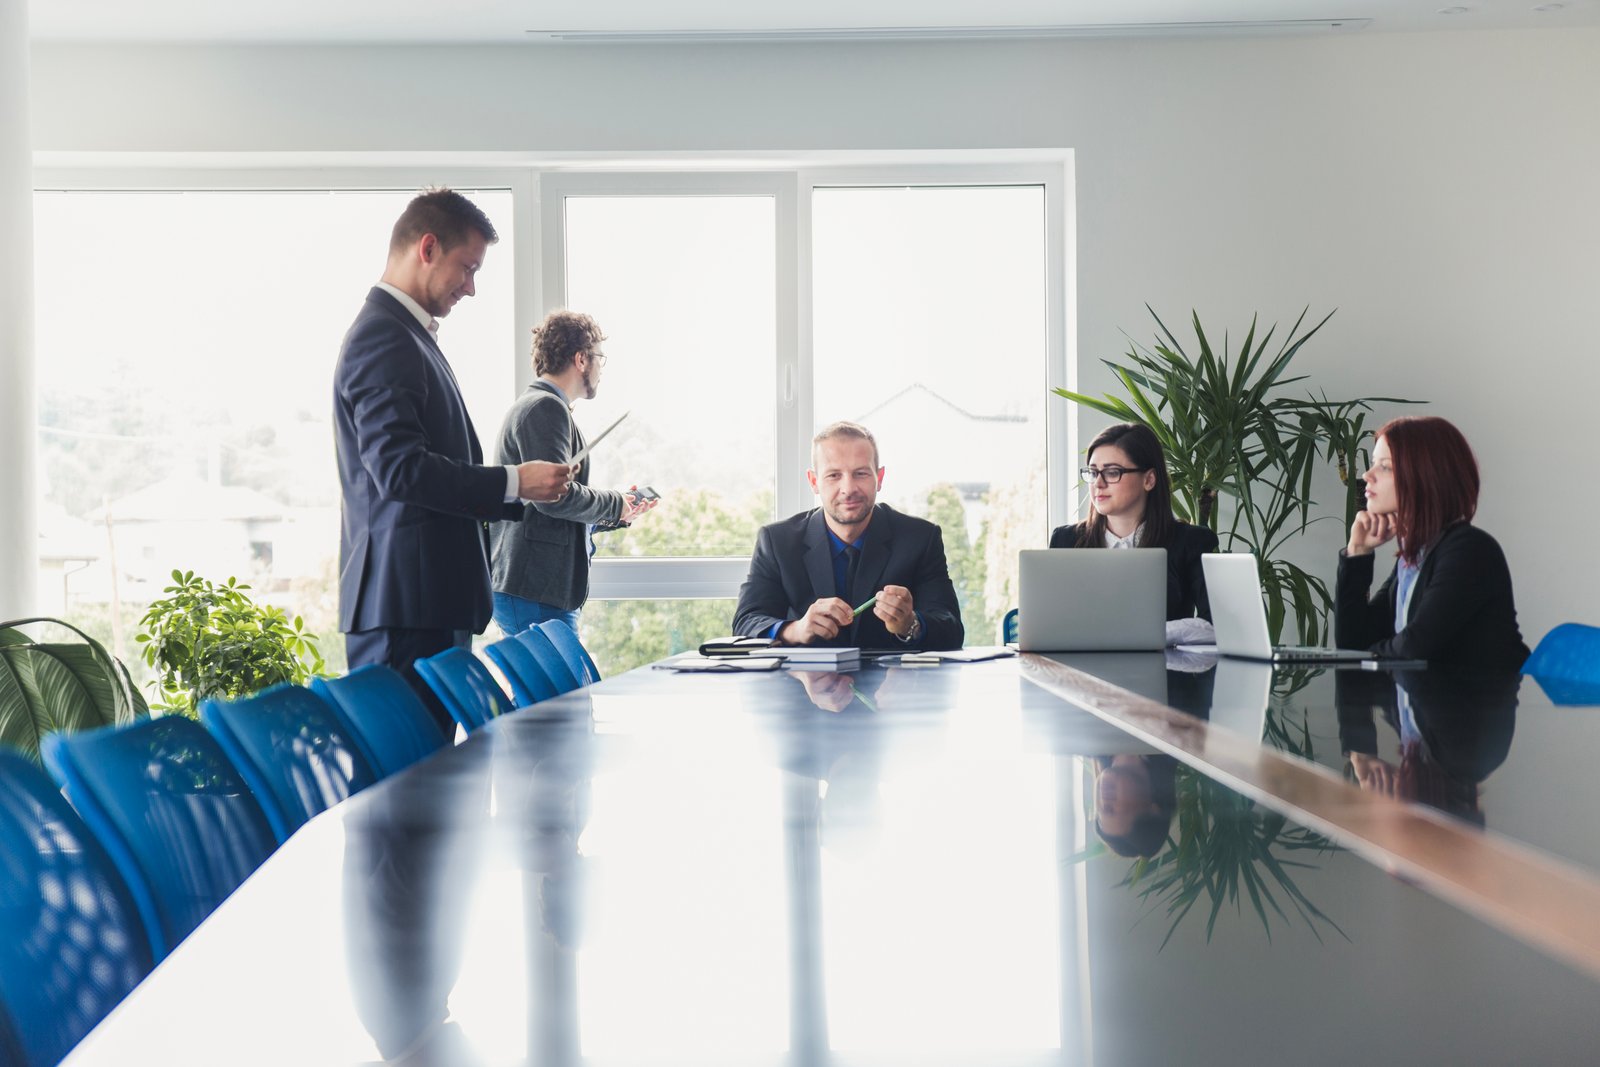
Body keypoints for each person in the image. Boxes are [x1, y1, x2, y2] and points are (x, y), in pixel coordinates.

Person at [334, 188, 574, 730]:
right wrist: (514, 482)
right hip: (406, 611)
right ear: (427, 248)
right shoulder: (383, 338)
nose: (471, 286)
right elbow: (400, 471)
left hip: (421, 605)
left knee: (430, 790)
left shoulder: (405, 337)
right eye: (466, 268)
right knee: (408, 796)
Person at [489, 310, 657, 636]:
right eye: (599, 358)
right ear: (581, 359)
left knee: (551, 689)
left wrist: (620, 512)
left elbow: (551, 511)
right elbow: (554, 498)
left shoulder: (541, 407)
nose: (600, 370)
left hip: (535, 590)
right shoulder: (544, 408)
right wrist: (614, 503)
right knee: (562, 689)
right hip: (534, 590)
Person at [732, 421, 963, 650]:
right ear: (814, 482)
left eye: (860, 473)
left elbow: (950, 628)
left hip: (894, 685)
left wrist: (910, 624)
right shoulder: (777, 541)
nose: (848, 488)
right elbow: (746, 622)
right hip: (803, 685)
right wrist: (796, 630)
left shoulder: (920, 538)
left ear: (879, 478)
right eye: (833, 475)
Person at [1336, 416, 1529, 669]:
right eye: (1373, 464)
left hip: (1476, 706)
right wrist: (1358, 553)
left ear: (1424, 477)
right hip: (1431, 704)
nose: (1367, 475)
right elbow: (1353, 643)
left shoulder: (1469, 550)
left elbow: (1414, 646)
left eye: (1385, 467)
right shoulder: (1414, 558)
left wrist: (1368, 656)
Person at [1049, 422, 1218, 622]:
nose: (1098, 484)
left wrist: (1156, 634)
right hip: (1082, 654)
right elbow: (1050, 621)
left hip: (1163, 654)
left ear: (1149, 480)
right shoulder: (1065, 540)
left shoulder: (1191, 542)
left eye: (1112, 472)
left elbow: (1215, 625)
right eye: (1093, 473)